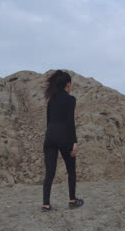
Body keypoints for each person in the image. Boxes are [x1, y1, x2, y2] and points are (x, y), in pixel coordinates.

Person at [41, 70, 84, 212]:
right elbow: (70, 122)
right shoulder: (70, 100)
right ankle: (72, 200)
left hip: (49, 136)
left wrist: (50, 136)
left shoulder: (51, 100)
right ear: (67, 84)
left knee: (50, 172)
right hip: (64, 136)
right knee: (71, 169)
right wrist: (75, 142)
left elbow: (48, 122)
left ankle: (46, 205)